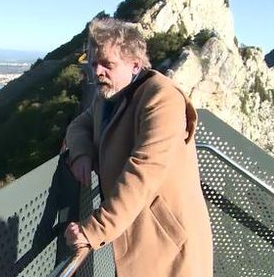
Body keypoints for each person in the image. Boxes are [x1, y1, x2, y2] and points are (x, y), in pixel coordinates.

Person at [64, 17, 213, 276]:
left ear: (135, 64)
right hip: (139, 236)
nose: (97, 71)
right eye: (93, 63)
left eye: (107, 64)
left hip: (170, 245)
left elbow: (142, 172)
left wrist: (94, 229)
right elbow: (79, 125)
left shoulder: (162, 97)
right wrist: (81, 153)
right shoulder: (108, 98)